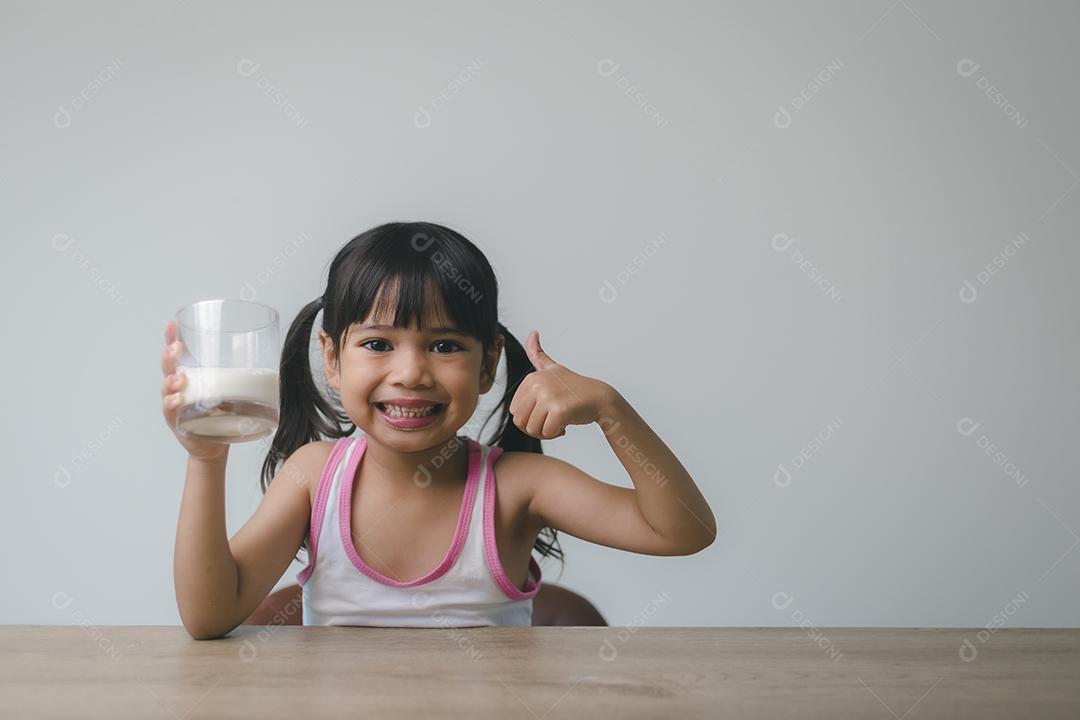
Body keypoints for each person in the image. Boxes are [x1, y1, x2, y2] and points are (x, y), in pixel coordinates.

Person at [162, 221, 716, 639]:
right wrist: (205, 460)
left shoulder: (520, 487)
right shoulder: (314, 476)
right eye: (377, 344)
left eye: (445, 345)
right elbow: (210, 616)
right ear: (331, 358)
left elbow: (682, 532)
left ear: (488, 364)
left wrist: (612, 411)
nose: (410, 373)